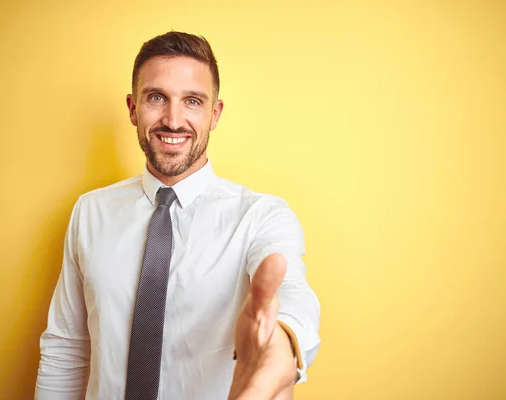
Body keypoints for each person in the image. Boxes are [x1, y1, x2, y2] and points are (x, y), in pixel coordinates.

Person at [35, 31, 320, 400]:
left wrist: (279, 345)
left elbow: (293, 294)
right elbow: (66, 348)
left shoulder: (260, 216)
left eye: (192, 101)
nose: (173, 120)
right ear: (133, 108)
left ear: (214, 114)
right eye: (156, 98)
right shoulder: (90, 212)